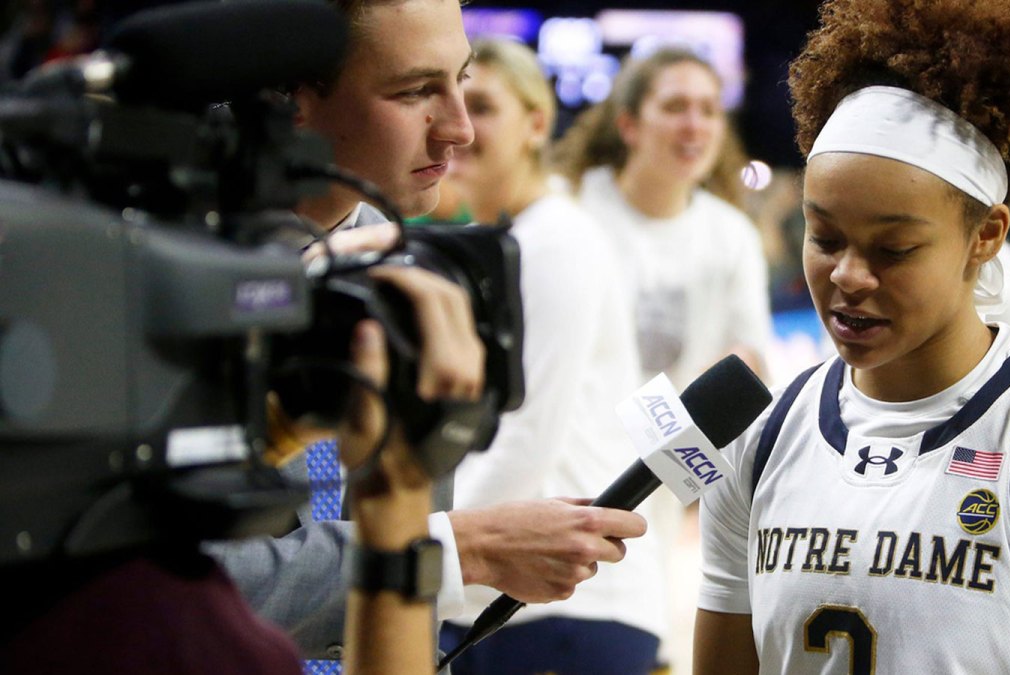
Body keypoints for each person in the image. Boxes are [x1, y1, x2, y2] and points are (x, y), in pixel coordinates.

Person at [694, 1, 1010, 674]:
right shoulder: (762, 438)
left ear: (987, 236)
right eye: (824, 237)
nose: (847, 275)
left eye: (894, 248)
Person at [206, 0, 649, 669]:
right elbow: (151, 591)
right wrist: (459, 548)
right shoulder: (150, 272)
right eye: (415, 91)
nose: (459, 129)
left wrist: (448, 548)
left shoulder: (406, 270)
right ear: (288, 98)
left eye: (461, 81)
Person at [435, 38, 663, 674]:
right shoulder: (509, 241)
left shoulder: (557, 241)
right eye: (453, 104)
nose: (461, 126)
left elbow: (527, 434)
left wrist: (432, 558)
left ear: (537, 125)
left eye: (484, 106)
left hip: (568, 609)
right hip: (516, 597)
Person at [555, 46, 773, 388]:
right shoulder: (569, 206)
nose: (694, 126)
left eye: (709, 110)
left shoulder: (733, 234)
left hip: (682, 423)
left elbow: (751, 352)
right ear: (629, 125)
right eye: (675, 107)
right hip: (585, 421)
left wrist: (693, 404)